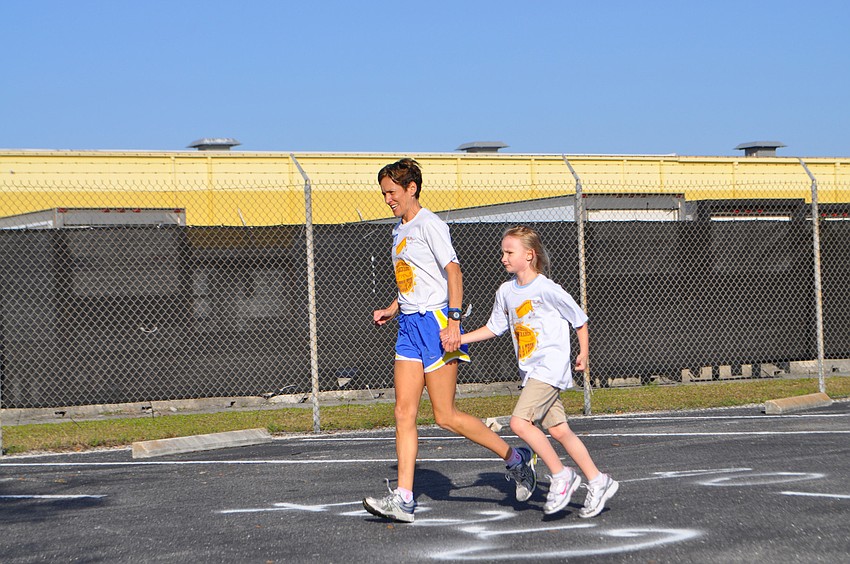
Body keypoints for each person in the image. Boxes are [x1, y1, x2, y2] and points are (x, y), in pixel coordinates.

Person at [362, 159, 536, 524]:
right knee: (402, 413)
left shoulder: (431, 225)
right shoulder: (399, 230)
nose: (387, 199)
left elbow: (452, 272)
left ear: (412, 188)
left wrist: (454, 321)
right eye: (384, 193)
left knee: (445, 416)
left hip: (437, 324)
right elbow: (414, 279)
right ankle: (405, 500)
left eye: (392, 192)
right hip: (408, 326)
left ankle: (515, 459)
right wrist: (394, 308)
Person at [459, 226, 618, 518]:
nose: (503, 258)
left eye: (510, 252)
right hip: (531, 372)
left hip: (550, 367)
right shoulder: (505, 291)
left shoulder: (547, 289)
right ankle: (598, 480)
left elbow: (579, 320)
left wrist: (583, 353)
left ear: (529, 255)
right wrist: (459, 339)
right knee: (559, 430)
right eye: (503, 252)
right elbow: (494, 327)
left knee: (520, 424)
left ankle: (561, 475)